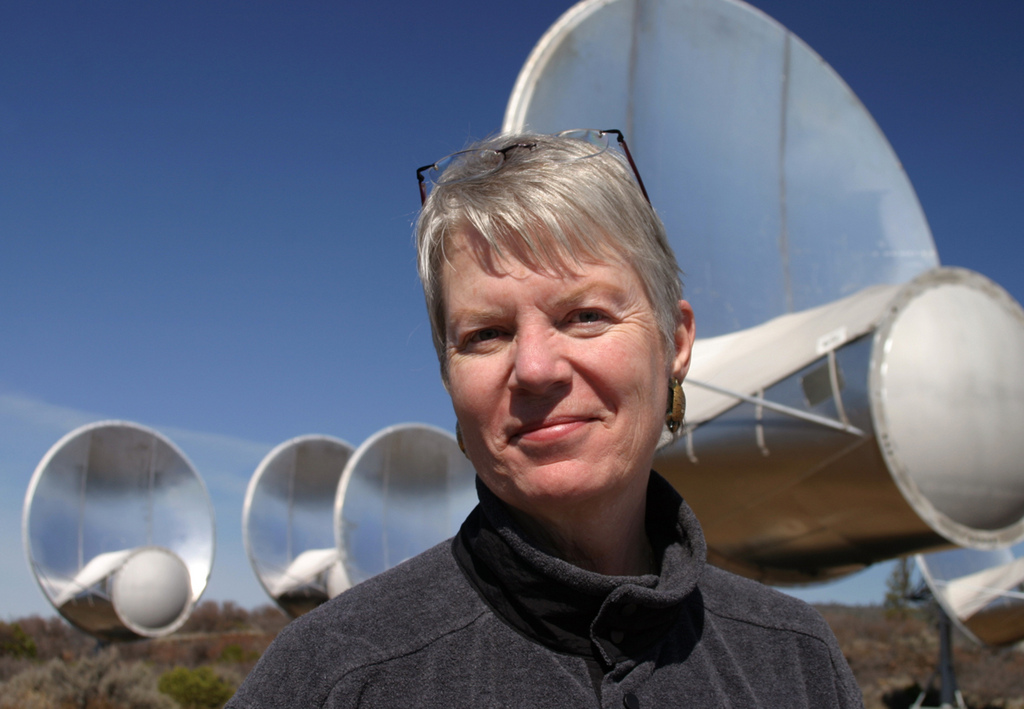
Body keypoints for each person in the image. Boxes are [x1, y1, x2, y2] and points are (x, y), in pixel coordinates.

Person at [227, 129, 863, 708]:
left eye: (585, 316)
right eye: (486, 333)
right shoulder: (334, 677)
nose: (534, 369)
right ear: (448, 377)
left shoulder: (797, 663)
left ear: (675, 342)